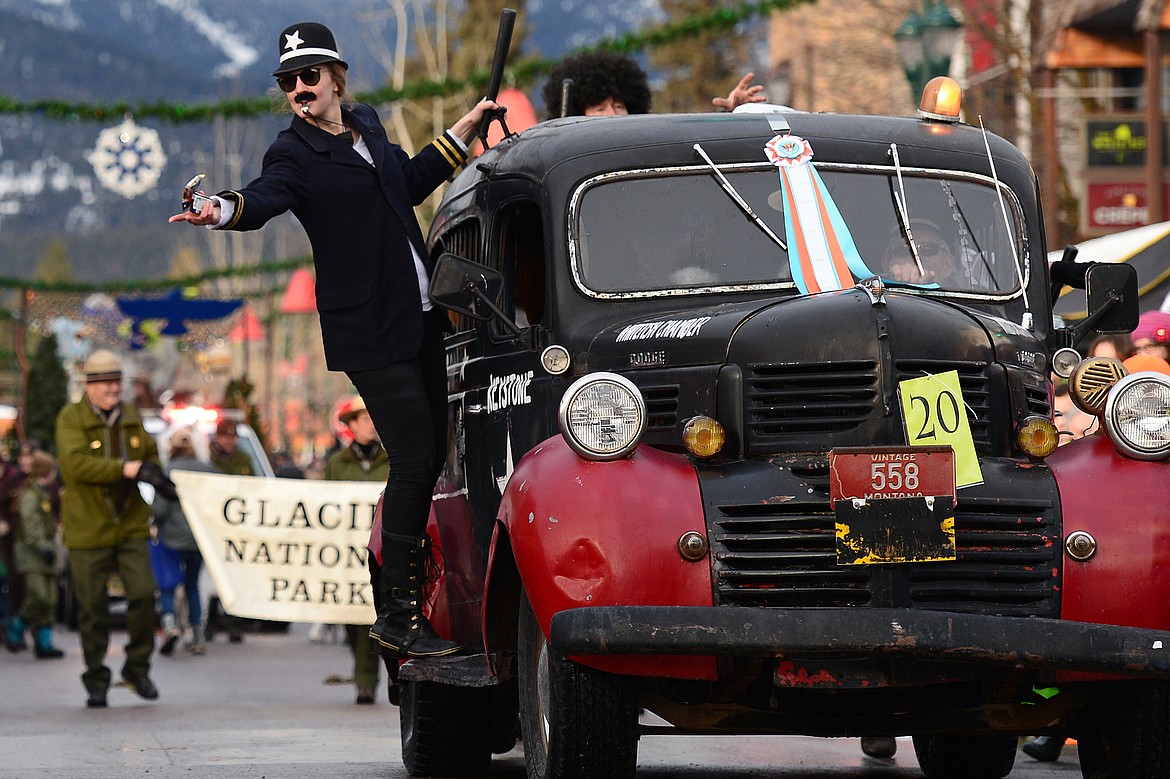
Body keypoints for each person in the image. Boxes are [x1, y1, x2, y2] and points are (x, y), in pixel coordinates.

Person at [170, 21, 498, 659]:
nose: (299, 87)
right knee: (413, 458)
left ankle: (408, 593)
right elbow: (261, 201)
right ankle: (397, 612)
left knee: (433, 459)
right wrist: (219, 210)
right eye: (288, 80)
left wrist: (462, 132)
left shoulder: (368, 125)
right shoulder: (291, 153)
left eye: (309, 75)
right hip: (367, 327)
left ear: (336, 77)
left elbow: (406, 184)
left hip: (422, 310)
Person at [56, 349, 161, 708]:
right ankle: (97, 677)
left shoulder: (131, 416)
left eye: (117, 381)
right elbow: (76, 466)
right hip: (88, 526)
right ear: (90, 387)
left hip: (130, 522)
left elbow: (149, 454)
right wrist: (127, 469)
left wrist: (156, 477)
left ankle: (136, 667)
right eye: (105, 382)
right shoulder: (70, 418)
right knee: (92, 606)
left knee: (145, 593)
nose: (114, 388)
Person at [324, 395, 389, 704]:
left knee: (378, 615)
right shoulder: (336, 464)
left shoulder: (391, 461)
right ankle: (364, 674)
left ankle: (370, 680)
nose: (371, 424)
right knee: (353, 619)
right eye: (364, 419)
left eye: (373, 417)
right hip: (346, 555)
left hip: (379, 551)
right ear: (350, 425)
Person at [540, 48, 765, 118]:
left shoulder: (650, 150)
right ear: (576, 114)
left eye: (619, 106)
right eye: (600, 108)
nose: (612, 114)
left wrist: (732, 112)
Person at [152, 428, 217, 656]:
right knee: (192, 586)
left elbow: (159, 508)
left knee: (168, 585)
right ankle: (197, 635)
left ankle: (170, 625)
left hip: (171, 539)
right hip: (198, 540)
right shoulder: (208, 472)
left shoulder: (167, 472)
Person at [5, 451, 64, 659]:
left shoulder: (43, 491)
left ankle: (45, 644)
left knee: (50, 599)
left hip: (45, 553)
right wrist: (43, 547)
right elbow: (30, 526)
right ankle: (15, 629)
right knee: (39, 595)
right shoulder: (31, 494)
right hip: (32, 555)